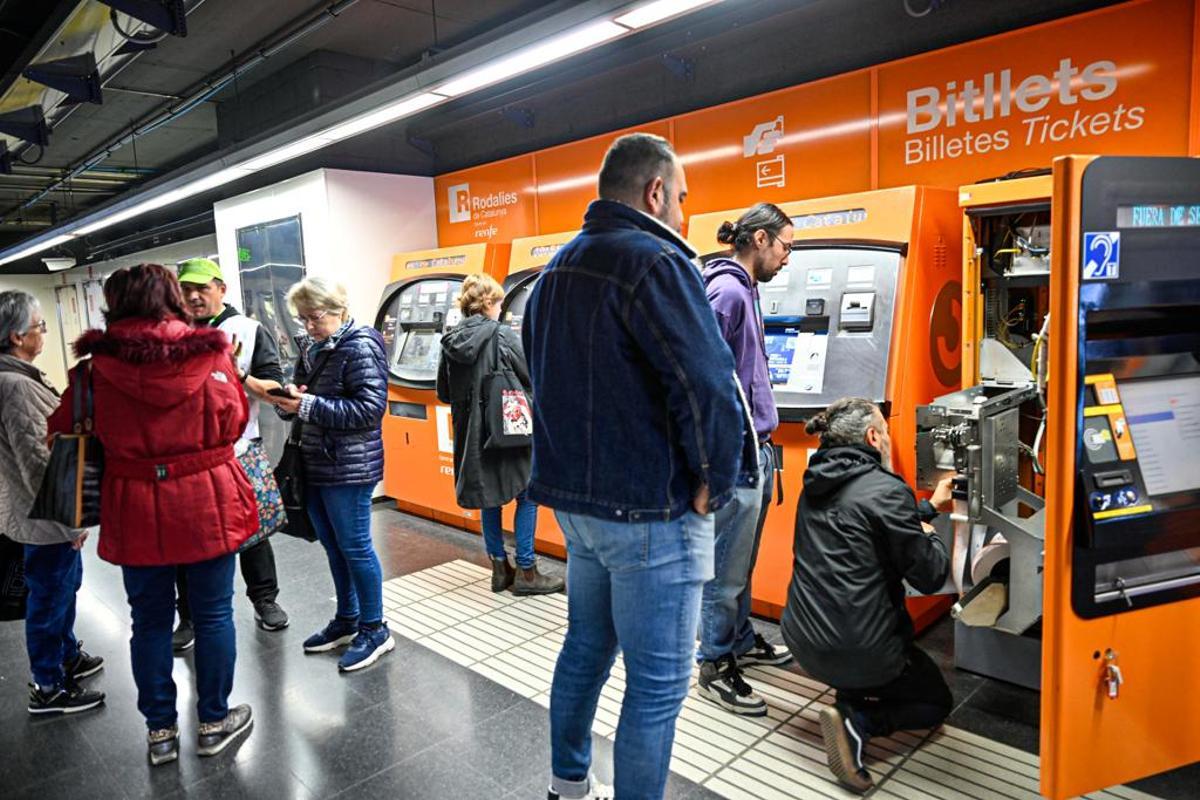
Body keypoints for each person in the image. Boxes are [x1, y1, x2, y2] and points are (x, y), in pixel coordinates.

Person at [524, 132, 750, 800]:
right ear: (655, 192)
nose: (684, 214)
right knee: (656, 687)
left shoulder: (557, 268)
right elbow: (706, 384)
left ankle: (568, 786)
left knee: (586, 649)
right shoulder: (656, 262)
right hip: (651, 512)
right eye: (680, 198)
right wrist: (714, 479)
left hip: (578, 505)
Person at [49, 264, 257, 765]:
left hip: (134, 502)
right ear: (173, 299)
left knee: (149, 621)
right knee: (212, 615)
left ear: (114, 304)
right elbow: (235, 421)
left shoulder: (94, 370)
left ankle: (160, 731)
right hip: (208, 498)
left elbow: (60, 428)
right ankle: (213, 720)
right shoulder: (212, 355)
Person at [780, 397, 954, 794]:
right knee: (936, 703)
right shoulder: (886, 489)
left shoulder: (815, 480)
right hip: (863, 649)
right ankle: (858, 723)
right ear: (873, 437)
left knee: (855, 639)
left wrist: (926, 508)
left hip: (803, 641)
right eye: (887, 432)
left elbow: (862, 526)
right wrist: (931, 535)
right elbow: (930, 575)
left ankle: (851, 697)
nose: (890, 440)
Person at [697, 203, 795, 717]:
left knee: (742, 558)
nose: (786, 259)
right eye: (784, 247)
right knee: (724, 567)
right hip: (734, 453)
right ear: (760, 239)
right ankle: (713, 662)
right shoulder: (728, 292)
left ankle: (736, 638)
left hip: (752, 449)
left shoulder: (745, 290)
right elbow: (702, 378)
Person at [266, 277, 392, 673]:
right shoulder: (316, 346)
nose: (308, 326)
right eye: (302, 319)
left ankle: (376, 629)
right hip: (317, 461)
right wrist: (288, 402)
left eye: (314, 317)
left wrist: (307, 406)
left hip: (350, 466)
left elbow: (368, 411)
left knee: (355, 546)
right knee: (333, 546)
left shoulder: (362, 345)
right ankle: (348, 619)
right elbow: (306, 397)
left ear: (339, 309)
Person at [173, 257, 289, 652]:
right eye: (187, 289)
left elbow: (277, 387)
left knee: (251, 530)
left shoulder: (248, 330)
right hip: (185, 456)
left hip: (239, 449)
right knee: (188, 540)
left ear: (221, 288)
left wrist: (241, 376)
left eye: (202, 288)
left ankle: (265, 599)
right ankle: (187, 615)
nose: (193, 296)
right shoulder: (173, 333)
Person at [0, 291, 105, 715]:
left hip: (41, 514)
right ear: (15, 336)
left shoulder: (16, 376)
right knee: (48, 599)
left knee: (64, 588)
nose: (44, 332)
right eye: (40, 326)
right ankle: (48, 686)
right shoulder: (15, 387)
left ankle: (66, 656)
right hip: (44, 518)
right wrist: (71, 522)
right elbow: (39, 464)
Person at [436, 274, 563, 595]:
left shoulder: (449, 341)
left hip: (471, 433)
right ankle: (527, 571)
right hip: (509, 427)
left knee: (488, 498)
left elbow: (444, 392)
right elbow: (532, 375)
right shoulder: (503, 335)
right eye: (500, 302)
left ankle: (498, 567)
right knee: (527, 494)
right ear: (490, 303)